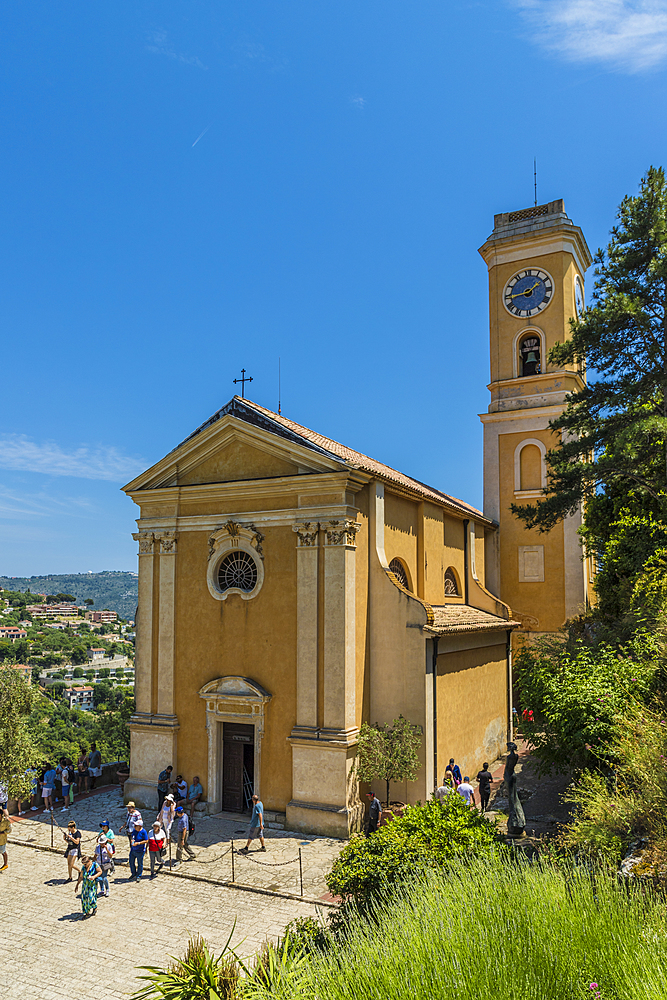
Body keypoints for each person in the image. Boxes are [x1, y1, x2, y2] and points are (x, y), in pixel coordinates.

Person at [0, 808, 10, 872]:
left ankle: (5, 864)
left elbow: (9, 830)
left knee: (3, 852)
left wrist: (3, 832)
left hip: (2, 839)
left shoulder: (6, 822)